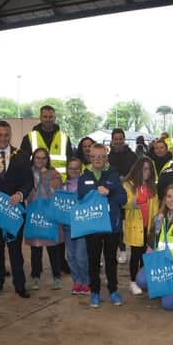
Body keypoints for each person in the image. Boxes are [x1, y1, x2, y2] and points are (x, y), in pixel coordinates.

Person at [0, 121, 33, 299]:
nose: (3, 138)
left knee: (15, 250)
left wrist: (20, 193)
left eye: (6, 135)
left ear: (10, 135)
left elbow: (29, 181)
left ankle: (20, 285)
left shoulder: (22, 155)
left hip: (14, 209)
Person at [78, 144, 127, 307]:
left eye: (101, 156)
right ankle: (95, 292)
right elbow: (79, 199)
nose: (98, 159)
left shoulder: (113, 175)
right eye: (94, 156)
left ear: (106, 157)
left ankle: (113, 291)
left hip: (112, 227)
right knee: (93, 260)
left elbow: (123, 198)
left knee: (110, 260)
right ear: (89, 157)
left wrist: (110, 192)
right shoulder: (83, 177)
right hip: (92, 226)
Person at [26, 148, 64, 291]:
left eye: (44, 158)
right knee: (36, 248)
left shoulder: (54, 174)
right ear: (33, 159)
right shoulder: (28, 173)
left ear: (48, 160)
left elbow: (58, 192)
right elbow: (26, 192)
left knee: (53, 246)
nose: (40, 161)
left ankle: (57, 276)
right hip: (35, 214)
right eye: (37, 158)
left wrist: (44, 179)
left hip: (50, 214)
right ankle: (36, 276)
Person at [123, 157, 159, 295]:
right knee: (135, 256)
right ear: (138, 169)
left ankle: (143, 280)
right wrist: (132, 203)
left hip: (149, 227)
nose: (147, 172)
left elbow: (156, 206)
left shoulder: (152, 186)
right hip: (135, 227)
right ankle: (133, 282)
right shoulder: (128, 185)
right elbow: (123, 203)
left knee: (147, 255)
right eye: (144, 168)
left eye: (149, 169)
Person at [109, 128, 138, 264]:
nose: (118, 141)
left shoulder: (132, 156)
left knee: (131, 221)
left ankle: (133, 248)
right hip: (114, 194)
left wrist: (126, 180)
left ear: (124, 139)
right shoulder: (108, 156)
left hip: (130, 193)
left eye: (121, 138)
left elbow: (137, 173)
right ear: (112, 140)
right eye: (116, 139)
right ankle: (121, 249)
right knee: (117, 222)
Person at [20, 105, 73, 177]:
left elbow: (70, 162)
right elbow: (23, 163)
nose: (48, 119)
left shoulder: (65, 138)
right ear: (40, 118)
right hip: (36, 183)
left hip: (60, 183)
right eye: (45, 117)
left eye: (51, 117)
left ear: (55, 118)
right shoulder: (29, 138)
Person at [62, 159, 90, 295]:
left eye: (76, 168)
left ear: (81, 169)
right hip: (67, 226)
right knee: (71, 256)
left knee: (81, 256)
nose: (73, 171)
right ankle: (77, 281)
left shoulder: (85, 185)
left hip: (81, 226)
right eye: (71, 168)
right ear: (67, 170)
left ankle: (86, 281)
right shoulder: (63, 186)